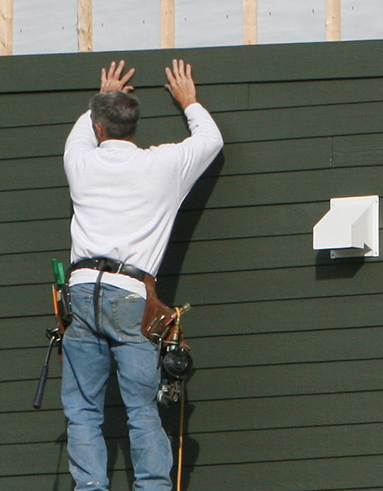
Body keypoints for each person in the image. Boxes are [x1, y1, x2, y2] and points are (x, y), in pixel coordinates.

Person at [61, 58, 224, 491]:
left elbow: (82, 131)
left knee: (82, 411)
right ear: (133, 128)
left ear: (99, 128)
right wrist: (190, 102)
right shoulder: (163, 165)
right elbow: (210, 140)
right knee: (141, 409)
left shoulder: (80, 162)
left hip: (80, 292)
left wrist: (105, 95)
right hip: (130, 295)